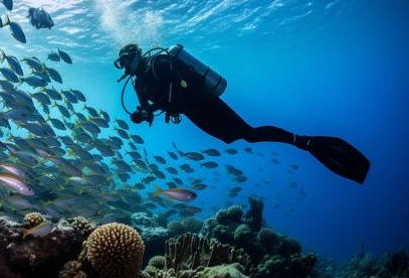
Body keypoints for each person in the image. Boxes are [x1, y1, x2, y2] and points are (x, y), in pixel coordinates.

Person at [114, 43, 371, 184]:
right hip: (193, 113)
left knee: (249, 133)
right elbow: (149, 110)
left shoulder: (160, 63)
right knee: (235, 138)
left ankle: (304, 141)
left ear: (137, 55)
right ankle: (302, 141)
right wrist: (143, 114)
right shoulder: (138, 84)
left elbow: (178, 85)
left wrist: (157, 107)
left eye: (126, 59)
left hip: (205, 102)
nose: (125, 66)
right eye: (121, 63)